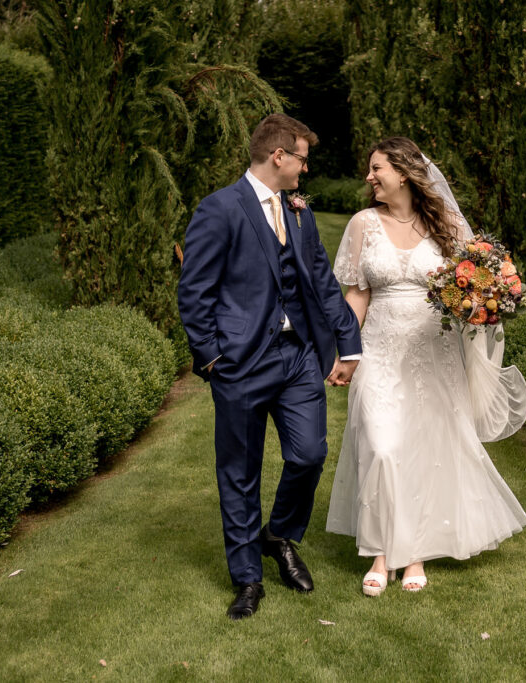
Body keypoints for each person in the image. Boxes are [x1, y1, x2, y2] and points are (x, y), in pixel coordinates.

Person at [325, 137, 526, 595]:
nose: (369, 177)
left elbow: (479, 282)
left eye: (376, 168)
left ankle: (410, 554)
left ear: (403, 172)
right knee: (380, 445)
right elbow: (357, 295)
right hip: (378, 348)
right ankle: (381, 549)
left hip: (432, 353)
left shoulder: (448, 226)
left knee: (420, 449)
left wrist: (484, 299)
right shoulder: (362, 224)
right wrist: (346, 352)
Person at [177, 114, 362, 620]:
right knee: (239, 472)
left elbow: (321, 280)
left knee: (309, 454)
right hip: (241, 362)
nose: (306, 169)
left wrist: (349, 345)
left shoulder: (298, 212)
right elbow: (194, 292)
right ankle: (247, 579)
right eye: (302, 158)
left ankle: (278, 535)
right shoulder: (219, 209)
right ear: (279, 156)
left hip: (298, 355)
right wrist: (214, 358)